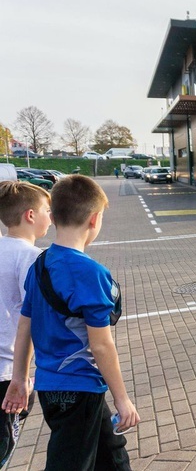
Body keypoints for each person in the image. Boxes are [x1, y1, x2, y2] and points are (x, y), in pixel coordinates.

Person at [2, 175, 140, 470]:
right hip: (80, 390)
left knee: (113, 455)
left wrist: (19, 377)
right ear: (94, 219)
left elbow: (25, 324)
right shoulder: (91, 273)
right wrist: (123, 399)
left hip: (52, 387)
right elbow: (101, 345)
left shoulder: (39, 264)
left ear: (53, 216)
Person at [0, 182, 52, 465]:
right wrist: (22, 378)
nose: (51, 216)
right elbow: (29, 318)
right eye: (47, 209)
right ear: (30, 215)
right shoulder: (31, 256)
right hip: (8, 373)